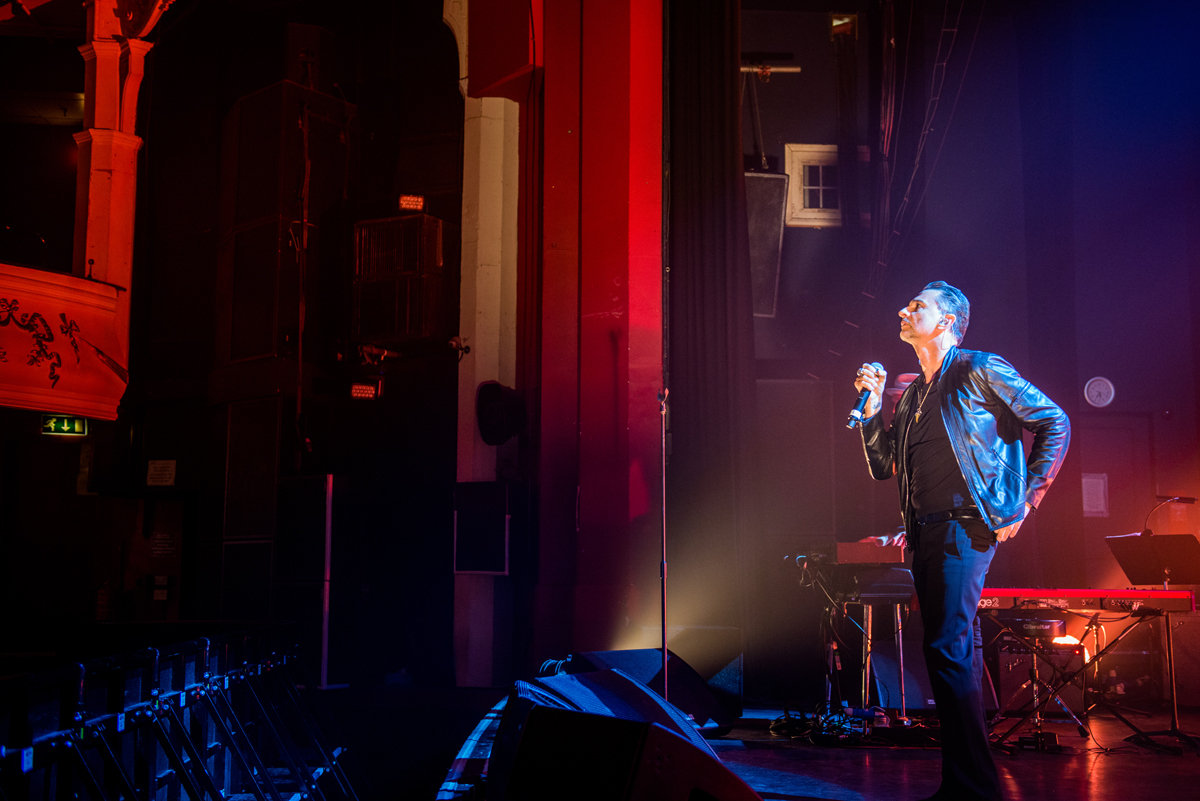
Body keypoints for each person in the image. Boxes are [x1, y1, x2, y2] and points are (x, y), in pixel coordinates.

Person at [853, 281, 1070, 801]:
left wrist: (1026, 500)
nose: (904, 310)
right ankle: (969, 784)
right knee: (950, 652)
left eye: (917, 306)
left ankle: (972, 787)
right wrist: (872, 408)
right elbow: (884, 467)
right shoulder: (911, 399)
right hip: (924, 530)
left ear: (947, 320)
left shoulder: (978, 368)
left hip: (965, 525)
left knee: (946, 650)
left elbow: (1054, 421)